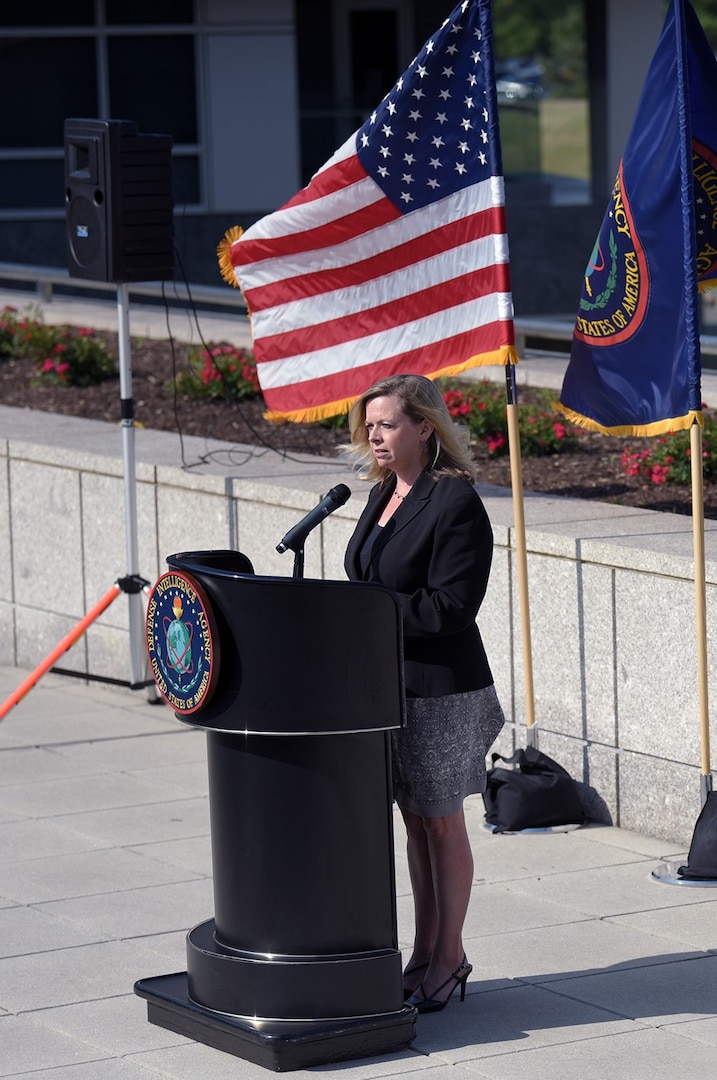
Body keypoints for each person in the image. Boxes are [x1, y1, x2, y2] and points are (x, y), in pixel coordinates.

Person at [343, 373, 505, 1014]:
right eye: (370, 424)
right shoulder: (384, 492)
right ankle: (422, 951)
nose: (374, 435)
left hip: (441, 691)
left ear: (424, 428)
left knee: (440, 822)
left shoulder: (455, 501)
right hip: (389, 687)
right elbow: (366, 576)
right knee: (414, 823)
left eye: (386, 424)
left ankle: (450, 957)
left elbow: (450, 608)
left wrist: (366, 613)